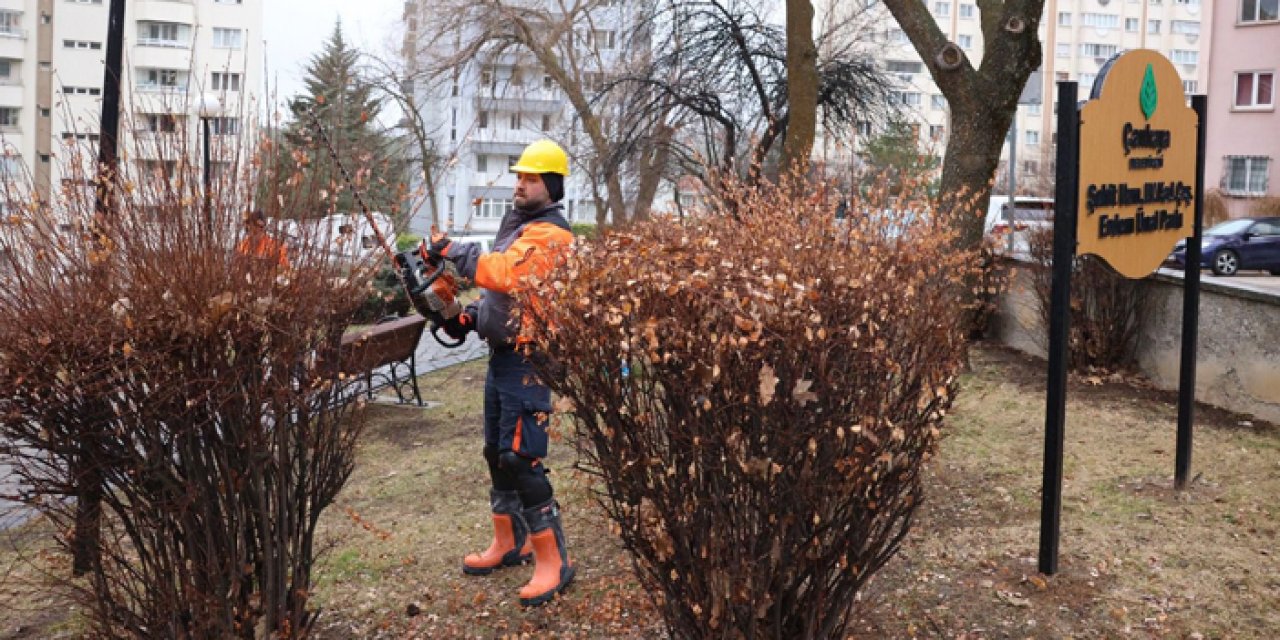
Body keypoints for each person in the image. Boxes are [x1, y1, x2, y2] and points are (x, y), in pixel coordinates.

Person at [425, 139, 575, 607]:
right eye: (519, 176)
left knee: (521, 458)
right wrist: (468, 316)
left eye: (530, 178)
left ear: (551, 185)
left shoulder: (553, 236)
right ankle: (510, 542)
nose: (520, 184)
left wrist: (455, 251)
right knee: (496, 452)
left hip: (530, 361)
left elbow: (507, 274)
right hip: (502, 355)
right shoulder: (521, 225)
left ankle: (554, 560)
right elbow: (502, 298)